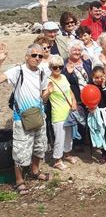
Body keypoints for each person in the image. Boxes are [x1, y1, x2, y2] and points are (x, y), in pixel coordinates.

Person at [0, 43, 50, 195]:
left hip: (39, 115)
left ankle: (35, 171)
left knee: (39, 146)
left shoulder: (42, 72)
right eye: (34, 55)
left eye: (40, 56)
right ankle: (19, 180)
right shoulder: (18, 71)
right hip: (21, 118)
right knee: (21, 150)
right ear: (26, 56)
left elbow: (42, 94)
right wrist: (1, 61)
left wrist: (47, 93)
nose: (37, 58)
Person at [47, 55, 78, 171]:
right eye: (55, 67)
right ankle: (57, 160)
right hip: (58, 113)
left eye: (60, 67)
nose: (58, 69)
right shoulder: (48, 81)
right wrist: (47, 93)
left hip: (69, 111)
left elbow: (70, 91)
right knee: (60, 137)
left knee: (68, 136)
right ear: (50, 67)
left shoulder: (64, 77)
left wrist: (74, 101)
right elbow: (44, 98)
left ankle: (67, 154)